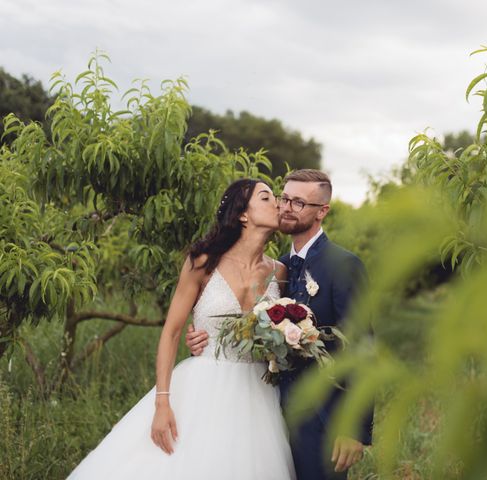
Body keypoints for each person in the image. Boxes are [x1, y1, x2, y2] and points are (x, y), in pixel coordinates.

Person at [68, 179, 296, 480]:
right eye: (267, 198)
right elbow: (172, 332)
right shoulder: (203, 262)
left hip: (257, 395)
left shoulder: (280, 272)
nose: (278, 204)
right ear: (243, 214)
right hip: (203, 387)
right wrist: (162, 402)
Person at [187, 169, 374, 480]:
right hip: (267, 413)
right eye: (284, 198)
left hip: (323, 422)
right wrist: (202, 336)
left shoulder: (343, 265)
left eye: (299, 203)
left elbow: (363, 349)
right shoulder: (277, 269)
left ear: (322, 212)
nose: (286, 207)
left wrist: (355, 429)